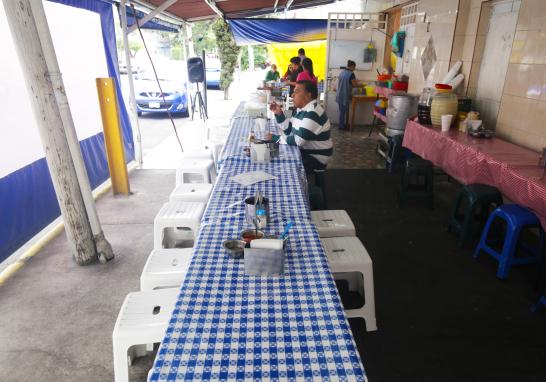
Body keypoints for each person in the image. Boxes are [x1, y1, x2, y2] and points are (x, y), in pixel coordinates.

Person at [268, 80, 333, 175]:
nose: (292, 95)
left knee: (281, 166)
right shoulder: (301, 109)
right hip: (304, 151)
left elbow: (298, 141)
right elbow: (289, 130)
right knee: (273, 155)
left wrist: (275, 138)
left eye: (297, 91)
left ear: (308, 95)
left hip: (316, 158)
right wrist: (279, 113)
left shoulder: (313, 113)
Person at [336, 60, 361, 130]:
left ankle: (343, 125)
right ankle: (341, 126)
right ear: (352, 66)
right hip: (344, 95)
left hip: (339, 95)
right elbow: (355, 85)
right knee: (343, 112)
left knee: (342, 112)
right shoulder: (351, 74)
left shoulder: (342, 72)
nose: (354, 69)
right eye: (354, 67)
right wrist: (361, 85)